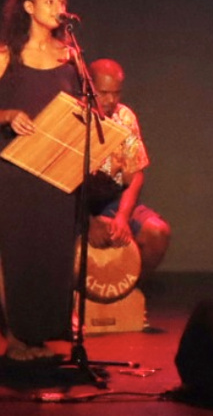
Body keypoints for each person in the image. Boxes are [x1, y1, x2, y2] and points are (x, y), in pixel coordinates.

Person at [0, 0, 80, 361]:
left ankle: (39, 335)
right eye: (49, 1)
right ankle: (16, 338)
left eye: (62, 1)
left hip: (56, 167)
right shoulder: (6, 53)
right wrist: (10, 113)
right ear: (28, 7)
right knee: (17, 249)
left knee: (51, 251)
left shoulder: (68, 54)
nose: (59, 8)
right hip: (14, 167)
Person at [85, 58, 170, 278]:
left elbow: (135, 176)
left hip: (112, 198)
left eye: (116, 93)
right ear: (89, 87)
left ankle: (126, 292)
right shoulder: (73, 115)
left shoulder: (124, 117)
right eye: (103, 93)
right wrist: (88, 223)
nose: (111, 100)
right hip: (75, 204)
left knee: (157, 233)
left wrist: (122, 216)